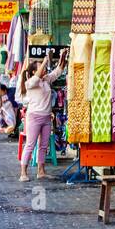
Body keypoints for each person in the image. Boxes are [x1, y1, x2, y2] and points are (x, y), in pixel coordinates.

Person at [17, 49, 67, 182]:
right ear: (34, 72)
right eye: (40, 68)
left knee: (44, 145)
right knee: (30, 145)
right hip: (34, 116)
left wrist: (62, 55)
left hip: (46, 117)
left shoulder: (46, 80)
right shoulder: (30, 83)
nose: (44, 69)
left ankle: (41, 171)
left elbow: (59, 70)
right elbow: (38, 75)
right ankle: (23, 172)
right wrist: (45, 60)